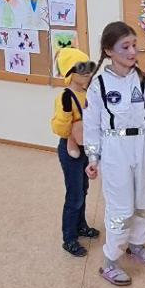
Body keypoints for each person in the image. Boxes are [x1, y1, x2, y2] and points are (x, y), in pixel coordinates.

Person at [82, 21, 145, 286]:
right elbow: (91, 125)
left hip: (142, 145)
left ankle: (137, 244)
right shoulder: (98, 85)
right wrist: (92, 158)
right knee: (121, 207)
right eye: (125, 47)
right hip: (114, 149)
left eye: (134, 45)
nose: (132, 52)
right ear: (109, 51)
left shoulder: (144, 80)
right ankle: (111, 261)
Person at [50, 46, 100, 257]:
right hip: (69, 149)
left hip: (85, 147)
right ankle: (69, 238)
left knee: (84, 189)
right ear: (70, 72)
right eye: (82, 68)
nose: (87, 72)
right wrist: (66, 116)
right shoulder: (65, 96)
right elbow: (60, 129)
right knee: (75, 195)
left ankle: (81, 226)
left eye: (89, 67)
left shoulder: (87, 93)